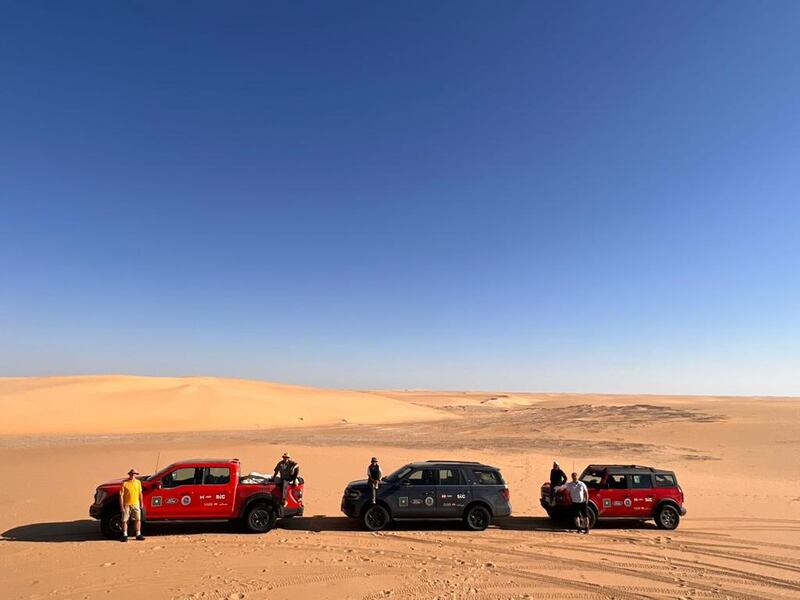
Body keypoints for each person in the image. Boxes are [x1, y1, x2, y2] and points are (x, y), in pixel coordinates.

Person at [120, 468, 145, 542]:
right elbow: (121, 495)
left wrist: (141, 503)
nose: (133, 475)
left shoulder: (138, 482)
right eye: (131, 474)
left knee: (138, 519)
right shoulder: (125, 483)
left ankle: (138, 534)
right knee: (125, 520)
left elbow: (140, 494)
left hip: (136, 504)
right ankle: (125, 535)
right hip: (126, 504)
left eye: (134, 474)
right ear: (129, 474)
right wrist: (121, 506)